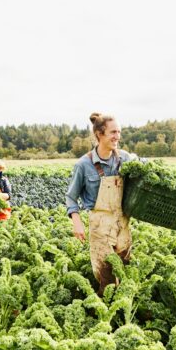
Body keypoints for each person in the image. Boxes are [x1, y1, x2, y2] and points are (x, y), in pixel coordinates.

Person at [65, 112, 139, 297]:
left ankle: (122, 312)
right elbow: (71, 197)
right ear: (100, 134)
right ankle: (102, 315)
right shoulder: (84, 165)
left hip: (122, 221)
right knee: (107, 277)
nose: (117, 137)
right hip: (100, 223)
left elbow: (144, 167)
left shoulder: (124, 158)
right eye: (113, 132)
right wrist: (77, 222)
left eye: (119, 132)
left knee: (124, 269)